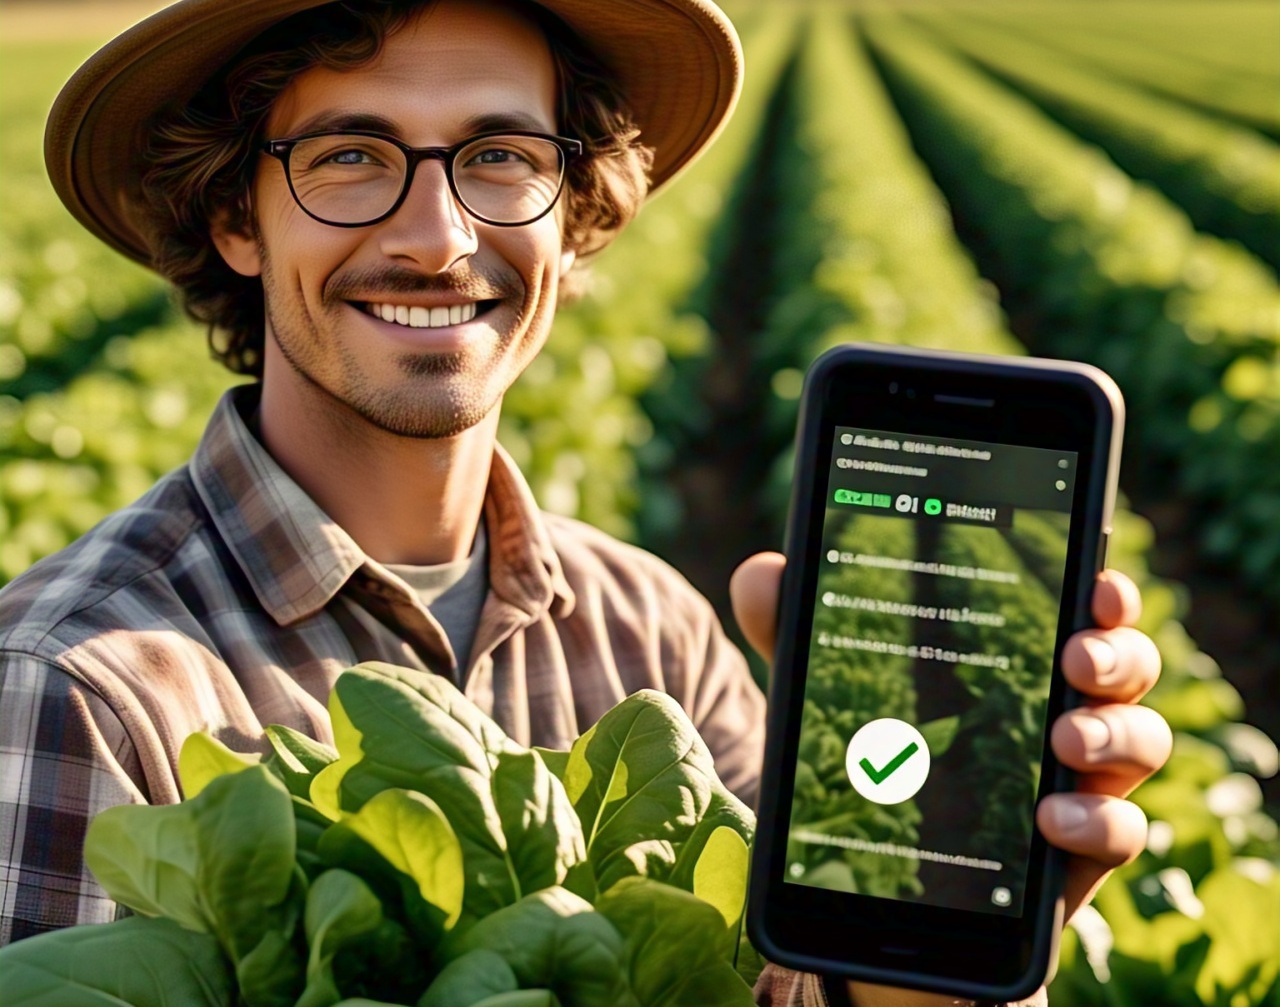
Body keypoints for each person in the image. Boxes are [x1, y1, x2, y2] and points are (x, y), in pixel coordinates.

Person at [0, 0, 1171, 1004]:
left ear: (574, 213)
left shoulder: (654, 631)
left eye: (501, 156)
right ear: (235, 218)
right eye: (349, 156)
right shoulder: (79, 683)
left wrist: (943, 944)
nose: (437, 235)